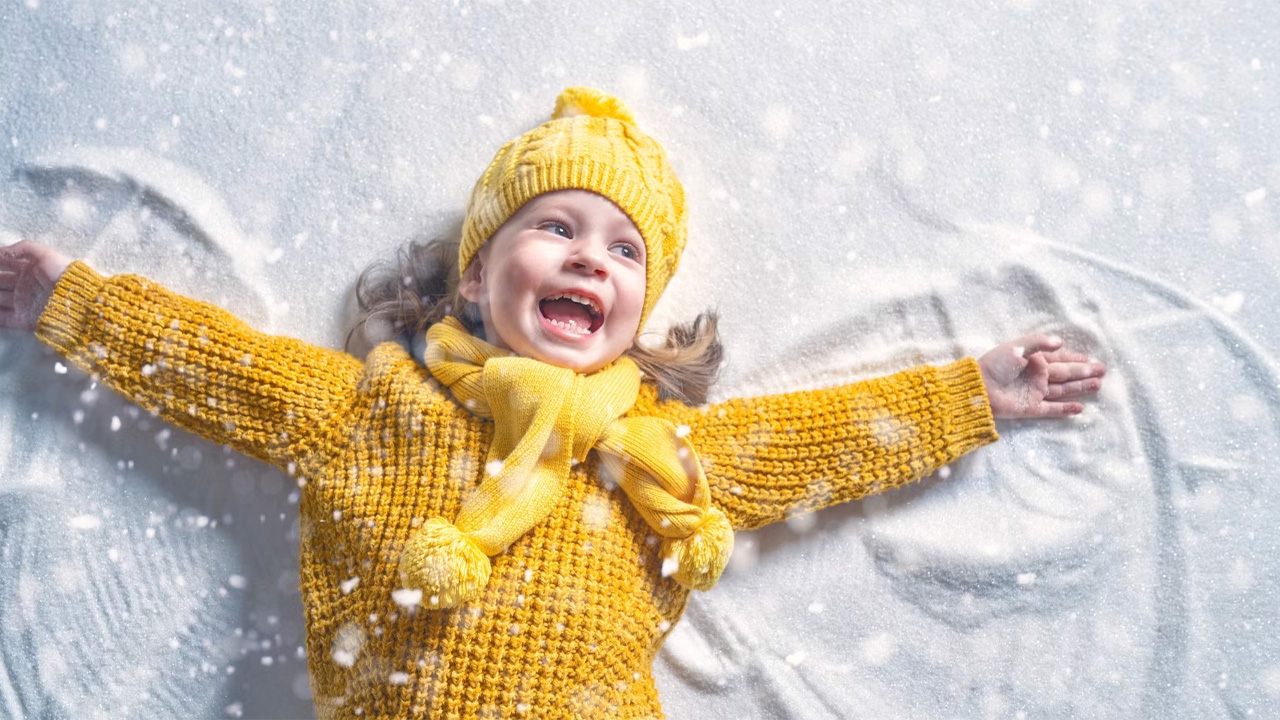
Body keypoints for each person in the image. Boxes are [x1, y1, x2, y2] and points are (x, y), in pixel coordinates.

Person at [0, 86, 1106, 719]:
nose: (590, 260)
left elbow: (828, 440)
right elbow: (213, 362)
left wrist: (974, 394)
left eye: (624, 250)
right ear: (475, 278)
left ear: (640, 310)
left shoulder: (658, 453)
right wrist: (67, 299)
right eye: (554, 228)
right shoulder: (368, 404)